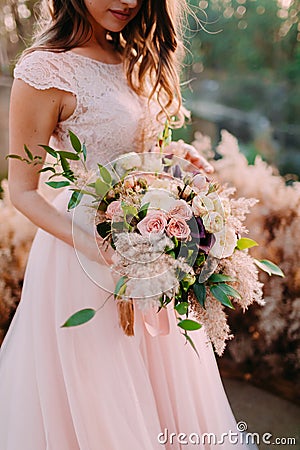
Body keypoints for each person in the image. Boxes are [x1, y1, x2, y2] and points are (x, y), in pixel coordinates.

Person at [0, 1, 256, 449]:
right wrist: (100, 250)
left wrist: (172, 159)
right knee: (101, 389)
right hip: (82, 255)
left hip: (146, 245)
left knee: (157, 382)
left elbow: (132, 152)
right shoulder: (44, 70)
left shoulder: (130, 54)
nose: (129, 1)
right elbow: (22, 191)